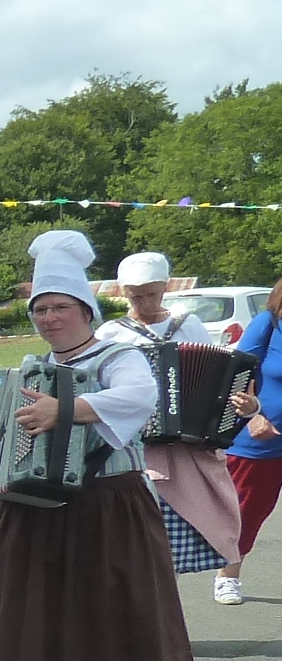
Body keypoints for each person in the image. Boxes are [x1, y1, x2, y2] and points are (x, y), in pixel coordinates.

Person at [0, 230, 194, 661]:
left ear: (86, 310)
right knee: (22, 624)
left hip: (106, 505)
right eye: (41, 309)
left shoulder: (119, 354)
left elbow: (138, 397)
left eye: (60, 308)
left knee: (92, 620)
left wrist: (68, 408)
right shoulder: (28, 367)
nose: (49, 318)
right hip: (31, 510)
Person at [102, 251, 246, 593]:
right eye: (136, 295)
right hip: (136, 446)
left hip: (186, 446)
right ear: (123, 293)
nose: (145, 302)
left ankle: (178, 605)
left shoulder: (188, 325)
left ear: (165, 287)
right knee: (140, 536)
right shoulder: (112, 333)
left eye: (152, 293)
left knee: (180, 532)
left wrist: (239, 405)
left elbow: (215, 378)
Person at [217, 281, 282, 606]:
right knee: (248, 511)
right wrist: (254, 415)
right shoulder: (268, 323)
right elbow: (236, 373)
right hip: (261, 437)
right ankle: (228, 575)